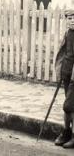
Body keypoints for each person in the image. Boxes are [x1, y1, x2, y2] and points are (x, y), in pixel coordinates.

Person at [54, 9, 74, 149]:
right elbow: (62, 53)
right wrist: (60, 71)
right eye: (69, 18)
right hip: (67, 74)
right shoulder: (68, 33)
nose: (72, 20)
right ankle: (66, 132)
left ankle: (72, 135)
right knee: (68, 107)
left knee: (69, 106)